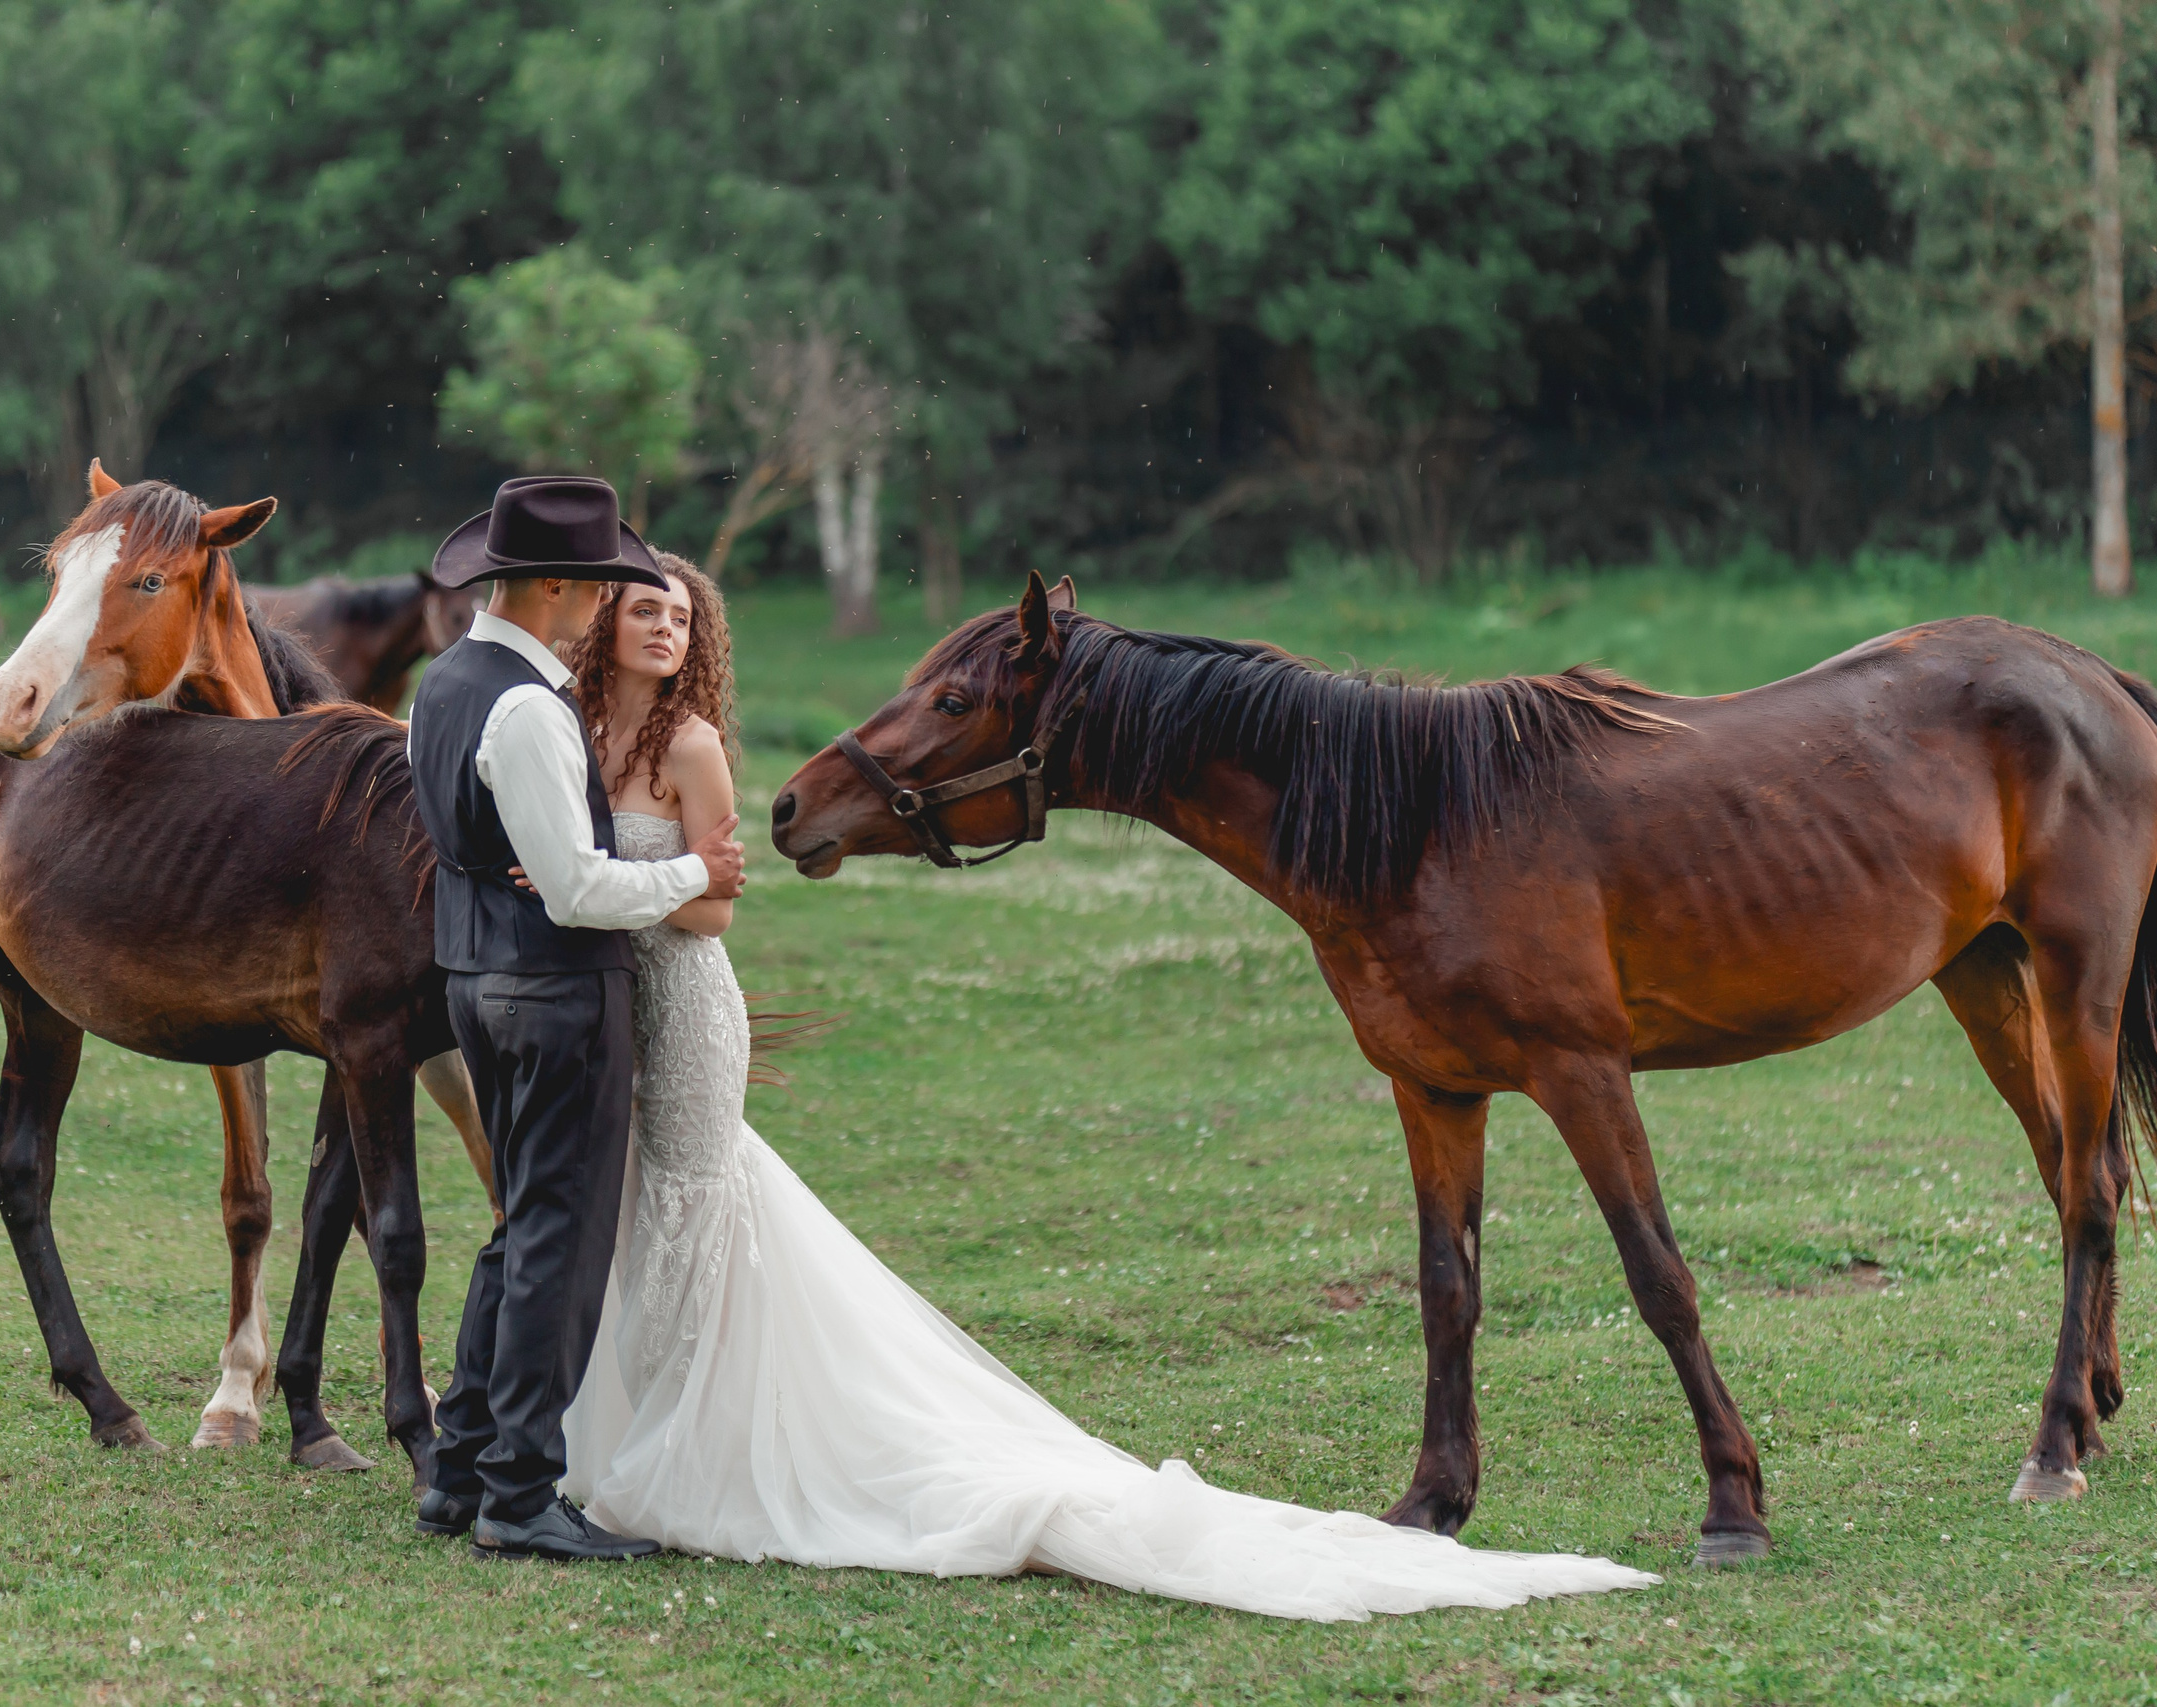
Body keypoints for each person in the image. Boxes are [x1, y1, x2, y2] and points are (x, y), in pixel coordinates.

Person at [541, 552, 1660, 1621]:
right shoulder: (581, 729)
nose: (663, 627)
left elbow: (709, 897)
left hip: (680, 999)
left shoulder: (687, 742)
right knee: (641, 1219)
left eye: (679, 615)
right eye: (643, 610)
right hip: (609, 1009)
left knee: (689, 1208)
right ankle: (646, 1437)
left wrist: (622, 881)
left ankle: (686, 1456)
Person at [404, 476, 744, 1563]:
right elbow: (580, 893)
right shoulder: (527, 706)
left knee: (516, 1227)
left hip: (472, 979)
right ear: (559, 587)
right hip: (555, 992)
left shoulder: (441, 684)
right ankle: (519, 1493)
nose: (608, 607)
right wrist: (696, 867)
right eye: (602, 587)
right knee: (559, 1237)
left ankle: (459, 1470)